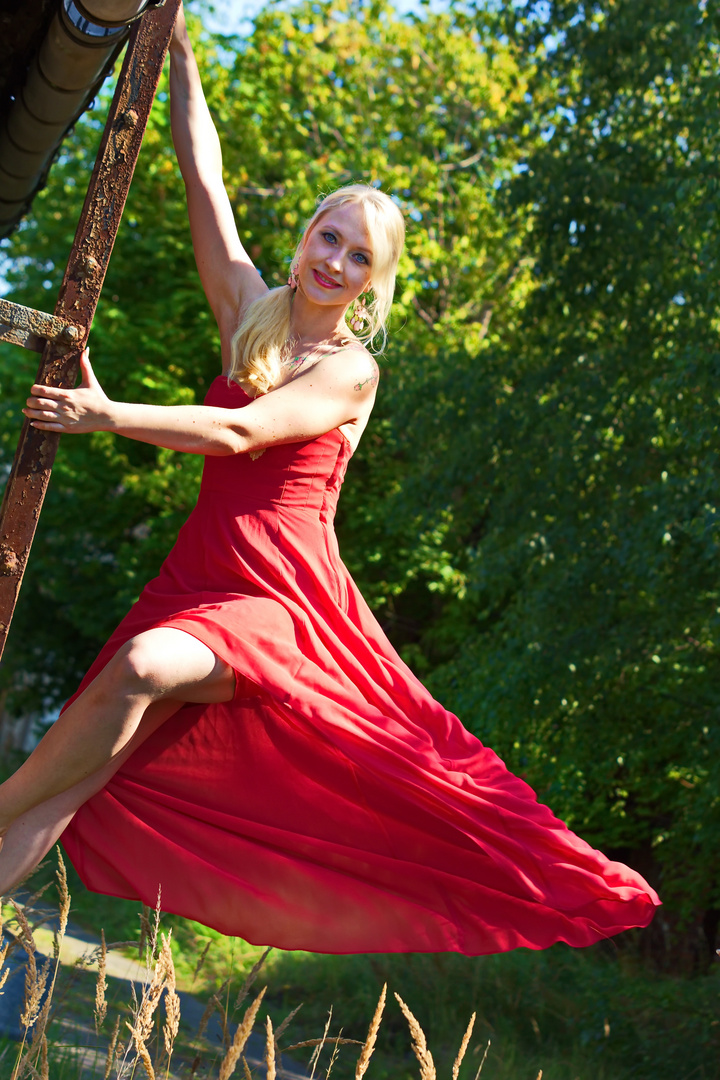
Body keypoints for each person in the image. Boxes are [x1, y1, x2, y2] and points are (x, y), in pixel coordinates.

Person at [0, 6, 659, 954]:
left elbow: (239, 432)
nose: (335, 261)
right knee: (77, 782)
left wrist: (109, 414)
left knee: (144, 667)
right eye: (328, 237)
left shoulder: (350, 370)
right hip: (193, 581)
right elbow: (205, 177)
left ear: (371, 285)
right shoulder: (251, 316)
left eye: (358, 257)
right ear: (308, 233)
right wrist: (179, 48)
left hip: (279, 600)